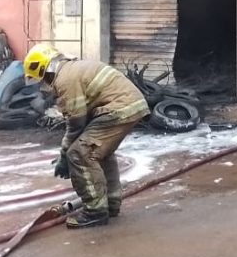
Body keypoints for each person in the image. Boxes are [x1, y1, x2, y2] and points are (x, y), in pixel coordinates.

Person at [23, 44, 150, 229]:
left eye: (42, 78)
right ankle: (111, 204)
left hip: (118, 108)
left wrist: (65, 156)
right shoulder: (72, 69)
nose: (43, 84)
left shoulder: (65, 79)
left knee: (80, 154)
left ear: (45, 69)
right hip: (130, 105)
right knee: (100, 153)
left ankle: (95, 212)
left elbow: (76, 124)